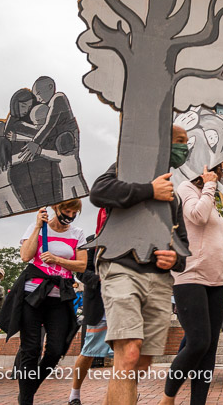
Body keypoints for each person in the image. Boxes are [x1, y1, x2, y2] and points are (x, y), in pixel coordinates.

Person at [90, 124, 191, 405]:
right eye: (180, 141)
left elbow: (182, 246)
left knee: (140, 363)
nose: (185, 147)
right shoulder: (127, 167)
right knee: (129, 353)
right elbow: (99, 192)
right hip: (120, 267)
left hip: (158, 280)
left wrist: (175, 258)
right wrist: (149, 190)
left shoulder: (176, 197)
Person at [159, 163, 223, 404]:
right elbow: (197, 216)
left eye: (221, 169)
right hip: (190, 276)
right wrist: (210, 184)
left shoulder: (211, 200)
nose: (221, 171)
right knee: (198, 342)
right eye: (217, 167)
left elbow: (219, 246)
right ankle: (168, 396)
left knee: (210, 348)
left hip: (217, 281)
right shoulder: (186, 189)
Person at [0, 199, 87, 405]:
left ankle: (28, 389)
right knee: (30, 349)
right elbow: (25, 256)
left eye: (75, 211)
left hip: (59, 297)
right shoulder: (38, 228)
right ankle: (26, 400)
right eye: (67, 210)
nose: (71, 214)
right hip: (33, 296)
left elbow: (82, 265)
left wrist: (58, 260)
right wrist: (38, 225)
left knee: (56, 349)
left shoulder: (77, 233)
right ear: (57, 208)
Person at [68, 230, 113, 405]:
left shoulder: (128, 237)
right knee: (88, 353)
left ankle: (121, 395)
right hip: (98, 306)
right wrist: (98, 279)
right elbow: (80, 271)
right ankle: (74, 394)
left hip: (123, 304)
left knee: (126, 355)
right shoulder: (90, 242)